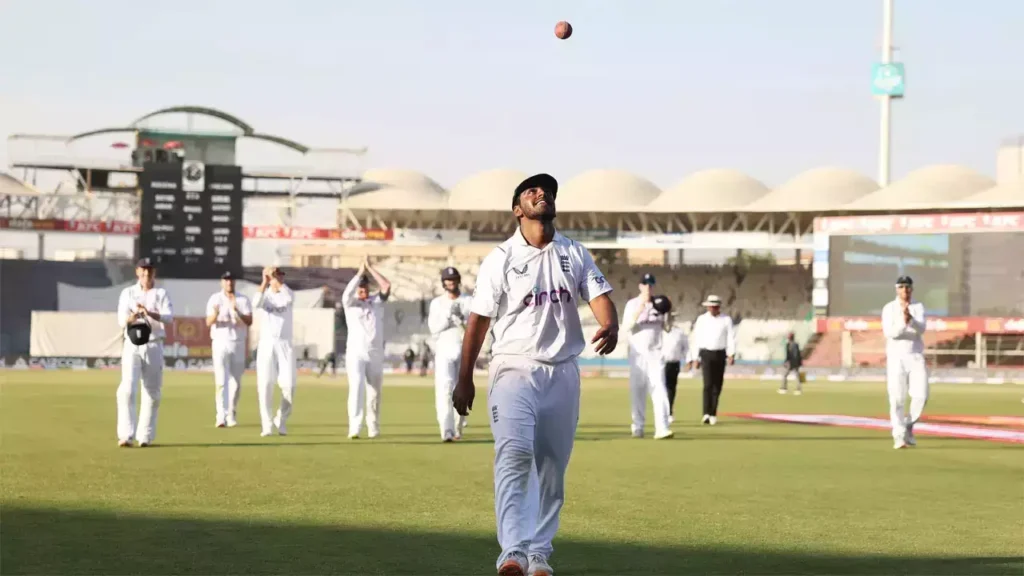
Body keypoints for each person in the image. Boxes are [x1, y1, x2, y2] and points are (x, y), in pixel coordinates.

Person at [452, 173, 619, 576]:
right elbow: (478, 321)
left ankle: (540, 553)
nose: (542, 194)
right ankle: (512, 552)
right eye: (532, 191)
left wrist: (610, 324)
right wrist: (464, 377)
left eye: (547, 191)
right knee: (514, 454)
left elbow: (599, 295)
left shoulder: (575, 253)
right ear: (517, 209)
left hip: (562, 372)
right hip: (514, 367)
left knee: (552, 466)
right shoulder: (501, 258)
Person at [116, 258, 174, 447]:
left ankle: (146, 436)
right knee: (127, 389)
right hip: (132, 343)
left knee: (152, 392)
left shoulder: (161, 293)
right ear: (137, 272)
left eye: (149, 270)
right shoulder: (128, 293)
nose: (146, 274)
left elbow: (169, 318)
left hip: (153, 343)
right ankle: (126, 435)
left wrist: (149, 313)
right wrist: (133, 316)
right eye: (143, 270)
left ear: (154, 272)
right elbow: (121, 320)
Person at [342, 256, 392, 439]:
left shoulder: (376, 302)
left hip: (375, 353)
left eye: (365, 288)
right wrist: (358, 274)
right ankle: (354, 427)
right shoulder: (350, 304)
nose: (362, 291)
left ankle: (373, 426)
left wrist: (370, 269)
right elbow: (346, 294)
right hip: (356, 353)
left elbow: (386, 285)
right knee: (356, 387)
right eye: (359, 288)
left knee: (374, 392)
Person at [621, 273, 672, 439]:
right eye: (645, 284)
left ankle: (662, 428)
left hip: (655, 354)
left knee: (660, 389)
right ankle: (638, 426)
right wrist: (641, 308)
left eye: (651, 284)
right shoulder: (632, 304)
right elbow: (627, 326)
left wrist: (668, 311)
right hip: (637, 355)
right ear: (640, 286)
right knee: (638, 391)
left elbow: (667, 328)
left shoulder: (659, 304)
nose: (648, 287)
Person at [881, 275, 929, 449]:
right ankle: (898, 435)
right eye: (901, 287)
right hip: (896, 357)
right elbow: (890, 333)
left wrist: (912, 321)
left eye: (907, 287)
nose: (905, 290)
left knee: (921, 396)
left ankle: (908, 425)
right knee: (897, 398)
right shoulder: (889, 308)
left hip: (915, 355)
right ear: (896, 289)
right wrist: (904, 322)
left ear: (912, 289)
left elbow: (921, 329)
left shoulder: (918, 306)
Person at [428, 266, 473, 442]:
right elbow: (433, 329)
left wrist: (461, 319)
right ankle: (446, 431)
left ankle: (457, 429)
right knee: (444, 390)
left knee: (462, 391)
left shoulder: (468, 301)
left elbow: (473, 328)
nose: (450, 283)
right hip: (444, 350)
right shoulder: (437, 303)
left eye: (453, 280)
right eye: (447, 280)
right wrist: (448, 317)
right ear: (443, 283)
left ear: (458, 281)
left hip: (464, 351)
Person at [205, 271, 253, 427]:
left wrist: (237, 310)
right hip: (219, 341)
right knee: (221, 380)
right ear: (222, 282)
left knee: (236, 382)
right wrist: (216, 313)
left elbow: (249, 321)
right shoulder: (215, 298)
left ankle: (232, 412)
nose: (229, 283)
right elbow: (208, 322)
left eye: (231, 280)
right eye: (226, 280)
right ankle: (221, 415)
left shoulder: (243, 299)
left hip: (237, 342)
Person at [252, 266, 295, 437]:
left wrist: (277, 280)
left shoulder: (288, 292)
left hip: (285, 344)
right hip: (267, 344)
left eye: (280, 275)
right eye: (275, 275)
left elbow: (288, 299)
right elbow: (256, 303)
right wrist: (264, 281)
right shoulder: (265, 294)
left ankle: (281, 419)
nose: (277, 278)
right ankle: (267, 424)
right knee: (265, 384)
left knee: (290, 386)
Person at [688, 294, 735, 426]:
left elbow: (731, 337)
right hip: (706, 353)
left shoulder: (726, 320)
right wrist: (695, 357)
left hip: (720, 353)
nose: (713, 309)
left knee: (717, 385)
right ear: (708, 307)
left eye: (715, 307)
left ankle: (713, 413)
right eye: (711, 306)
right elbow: (696, 338)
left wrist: (731, 353)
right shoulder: (701, 319)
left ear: (718, 307)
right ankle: (706, 413)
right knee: (707, 384)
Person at [661, 308, 689, 422]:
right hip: (660, 363)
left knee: (671, 388)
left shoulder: (679, 332)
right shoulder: (658, 331)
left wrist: (689, 360)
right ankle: (661, 411)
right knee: (660, 388)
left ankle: (669, 412)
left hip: (674, 363)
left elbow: (685, 347)